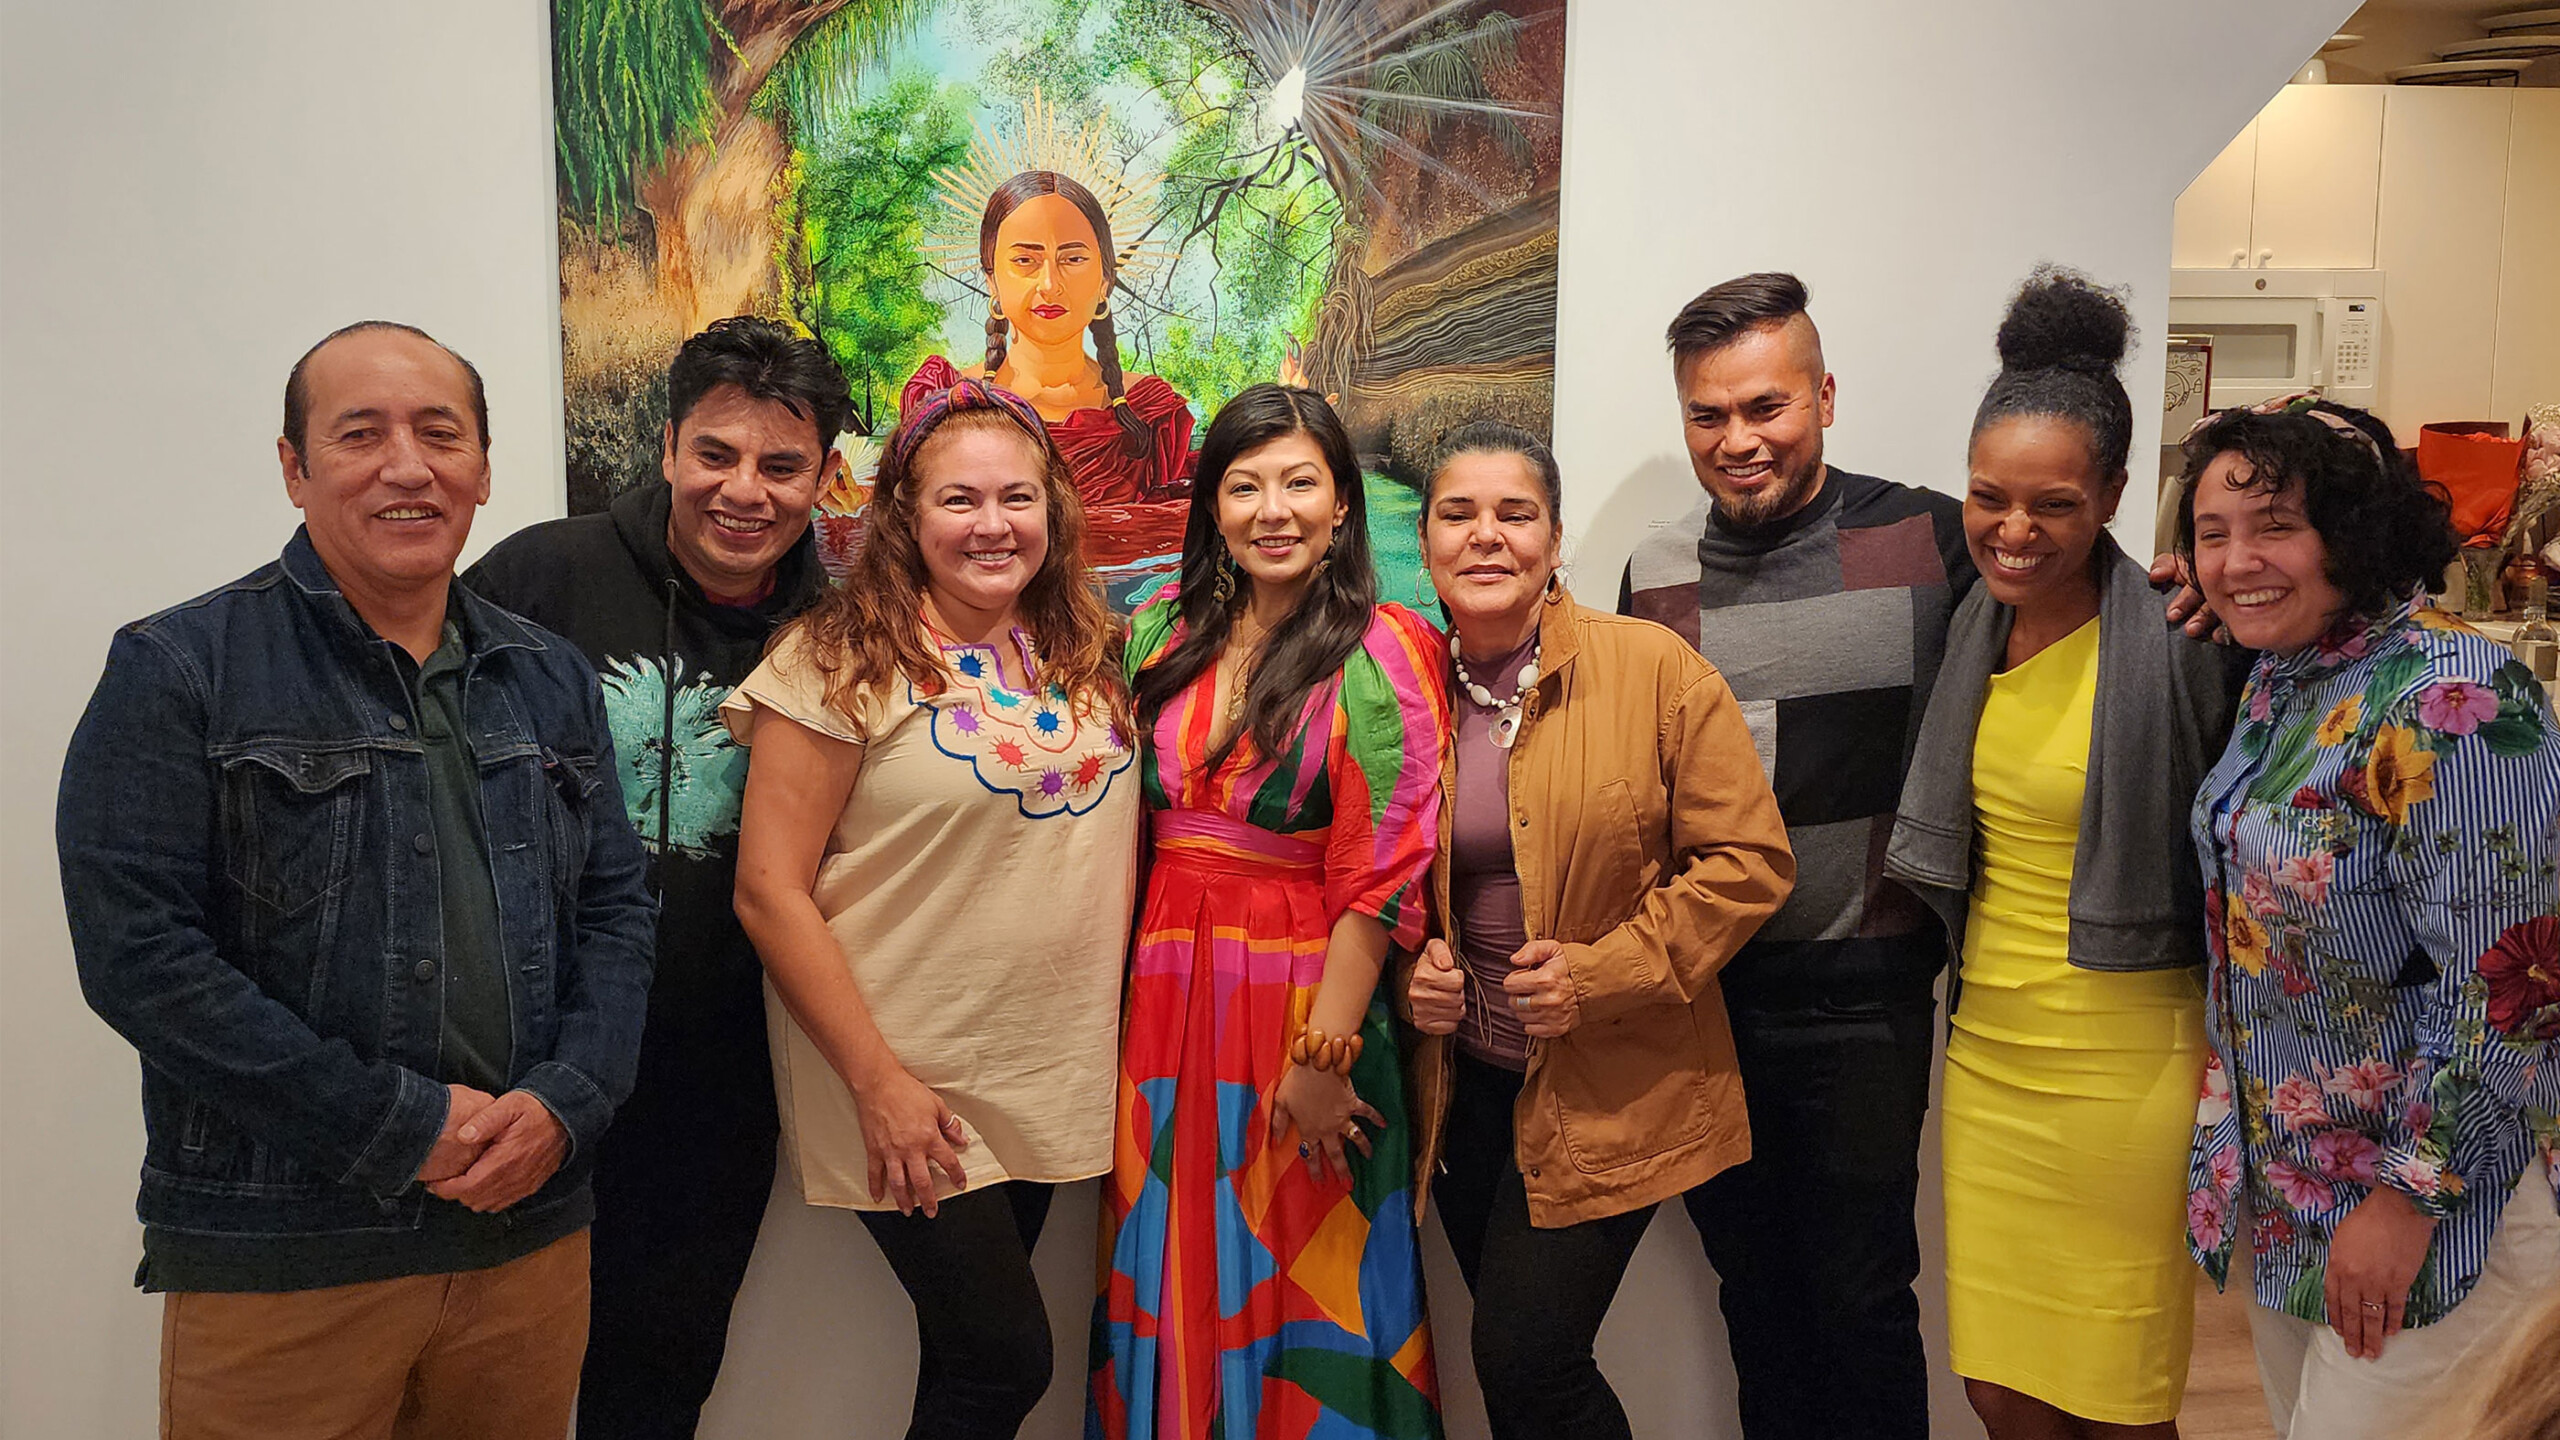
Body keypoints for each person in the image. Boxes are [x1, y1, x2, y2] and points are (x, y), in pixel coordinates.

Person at [55, 321, 656, 1440]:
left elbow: (619, 914)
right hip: (287, 1252)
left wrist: (565, 1105)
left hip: (527, 1238)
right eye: (359, 434)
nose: (407, 466)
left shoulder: (550, 677)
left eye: (440, 433)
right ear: (294, 467)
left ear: (481, 466)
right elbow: (140, 958)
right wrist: (395, 1124)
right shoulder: (180, 668)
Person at [726, 378, 1139, 1439]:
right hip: (900, 1069)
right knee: (1007, 1362)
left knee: (970, 1363)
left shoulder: (1086, 653)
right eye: (958, 500)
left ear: (1055, 508)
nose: (992, 525)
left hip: (1038, 1067)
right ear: (903, 516)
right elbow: (767, 892)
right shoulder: (833, 661)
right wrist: (879, 1082)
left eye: (1017, 498)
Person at [460, 315, 847, 1438]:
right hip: (515, 1059)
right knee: (486, 1384)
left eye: (782, 466)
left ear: (824, 477)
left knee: (657, 1384)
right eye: (715, 455)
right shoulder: (543, 574)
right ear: (669, 445)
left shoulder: (838, 634)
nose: (745, 492)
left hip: (714, 1080)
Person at [1618, 272, 1971, 1440]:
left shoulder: (1934, 539)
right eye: (1707, 416)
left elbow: (2075, 625)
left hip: (1867, 990)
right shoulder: (1653, 576)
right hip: (1710, 999)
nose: (1739, 441)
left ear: (1824, 395)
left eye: (1766, 407)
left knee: (1863, 1300)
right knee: (1754, 1300)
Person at [1885, 268, 2236, 1438]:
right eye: (1989, 498)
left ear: (2115, 499)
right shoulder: (1964, 622)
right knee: (1996, 1390)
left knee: (2118, 1401)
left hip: (2127, 1062)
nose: (2015, 530)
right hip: (1989, 1056)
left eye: (2054, 506)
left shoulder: (2185, 639)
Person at [2177, 394, 2560, 1440]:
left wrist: (2407, 1201)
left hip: (2436, 1214)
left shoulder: (2455, 697)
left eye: (2276, 527)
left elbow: (2516, 990)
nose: (2237, 559)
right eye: (2212, 534)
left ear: (2352, 532)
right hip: (2296, 1199)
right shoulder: (2279, 680)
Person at [1400, 422, 1794, 1439]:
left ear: (1556, 537)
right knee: (1521, 1370)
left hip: (1611, 1083)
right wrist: (1414, 974)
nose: (1487, 537)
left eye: (1514, 514)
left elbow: (1750, 864)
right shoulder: (1399, 684)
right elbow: (1371, 870)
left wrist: (1601, 974)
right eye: (1459, 514)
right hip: (1462, 1093)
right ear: (1426, 538)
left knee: (1525, 1359)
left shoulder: (1653, 670)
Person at [1091, 384, 1448, 1440]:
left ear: (1342, 503)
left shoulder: (1387, 646)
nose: (1272, 509)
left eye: (1300, 482)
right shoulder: (1158, 628)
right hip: (1161, 999)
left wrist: (1323, 1054)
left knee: (1307, 1269)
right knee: (1168, 1252)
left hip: (1302, 996)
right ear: (1211, 505)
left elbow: (1381, 866)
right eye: (1243, 485)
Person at [907, 169, 1194, 579]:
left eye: (1073, 259)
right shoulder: (942, 399)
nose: (1049, 284)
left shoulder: (1151, 413)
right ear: (992, 279)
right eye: (1025, 260)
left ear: (1104, 281)